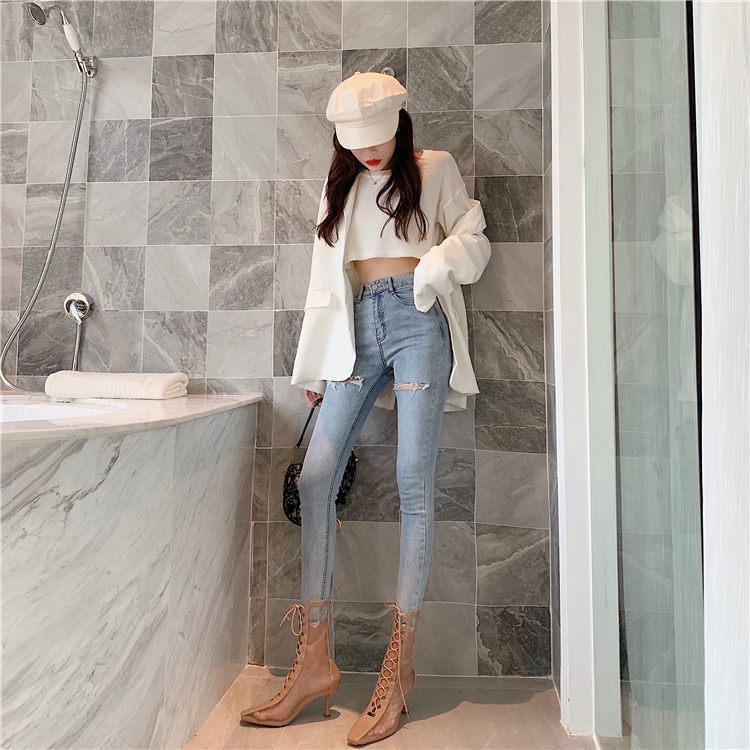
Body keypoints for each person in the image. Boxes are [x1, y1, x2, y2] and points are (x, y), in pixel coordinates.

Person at [240, 71, 491, 745]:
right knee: (316, 476)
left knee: (414, 482)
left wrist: (433, 268)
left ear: (398, 126)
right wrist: (318, 362)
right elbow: (324, 281)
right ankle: (314, 664)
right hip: (355, 329)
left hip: (418, 322)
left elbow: (475, 235)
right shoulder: (341, 184)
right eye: (356, 143)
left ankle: (399, 671)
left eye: (377, 139)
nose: (370, 152)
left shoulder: (433, 168)